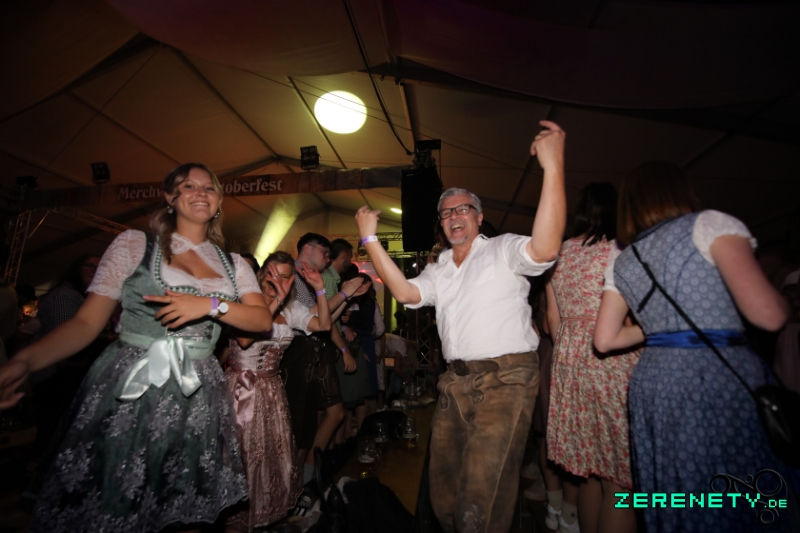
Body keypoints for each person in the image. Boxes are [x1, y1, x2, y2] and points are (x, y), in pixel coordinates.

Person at [0, 163, 272, 533]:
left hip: (197, 392)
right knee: (118, 499)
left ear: (219, 201)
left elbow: (261, 319)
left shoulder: (233, 263)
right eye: (188, 186)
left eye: (209, 188)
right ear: (170, 197)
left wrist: (210, 305)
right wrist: (25, 361)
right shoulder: (134, 244)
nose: (200, 193)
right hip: (134, 384)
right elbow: (86, 323)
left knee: (183, 504)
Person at [354, 120, 566, 532]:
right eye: (446, 212)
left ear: (479, 217)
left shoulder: (502, 249)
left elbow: (544, 249)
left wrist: (553, 167)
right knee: (444, 496)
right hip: (456, 382)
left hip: (506, 379)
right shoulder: (439, 269)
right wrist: (370, 241)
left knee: (480, 499)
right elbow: (405, 293)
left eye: (463, 208)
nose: (454, 215)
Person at [594, 161, 798, 533]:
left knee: (679, 490)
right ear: (681, 190)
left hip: (654, 381)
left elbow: (606, 340)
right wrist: (785, 303)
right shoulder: (710, 225)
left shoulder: (623, 256)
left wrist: (663, 330)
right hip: (715, 373)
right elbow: (769, 316)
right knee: (740, 490)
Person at [545, 183, 638, 533]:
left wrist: (572, 353)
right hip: (614, 362)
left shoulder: (558, 253)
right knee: (620, 483)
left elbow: (553, 319)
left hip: (570, 362)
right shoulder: (621, 250)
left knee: (589, 473)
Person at [224, 252, 331, 532]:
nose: (279, 281)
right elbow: (244, 339)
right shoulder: (243, 302)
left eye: (285, 276)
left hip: (272, 391)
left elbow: (324, 325)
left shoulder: (291, 309)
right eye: (273, 274)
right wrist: (274, 302)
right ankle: (236, 520)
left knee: (269, 458)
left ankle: (263, 519)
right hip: (242, 390)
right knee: (244, 456)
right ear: (262, 275)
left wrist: (320, 288)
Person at [280, 233, 362, 488]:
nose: (328, 259)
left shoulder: (309, 277)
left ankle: (302, 483)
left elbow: (324, 322)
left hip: (308, 355)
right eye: (325, 253)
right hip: (294, 356)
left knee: (306, 428)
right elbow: (309, 317)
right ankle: (293, 487)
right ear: (308, 248)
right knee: (298, 428)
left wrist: (346, 297)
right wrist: (345, 293)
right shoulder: (292, 274)